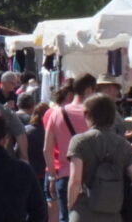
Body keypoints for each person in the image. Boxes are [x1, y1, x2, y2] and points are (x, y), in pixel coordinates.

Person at [67, 94, 132, 222]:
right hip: (113, 213)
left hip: (84, 211)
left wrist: (70, 206)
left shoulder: (79, 141)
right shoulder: (124, 145)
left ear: (87, 114)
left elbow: (75, 181)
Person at [43, 75, 95, 222]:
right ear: (89, 90)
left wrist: (52, 176)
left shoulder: (56, 113)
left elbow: (47, 149)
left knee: (65, 218)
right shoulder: (92, 114)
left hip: (65, 175)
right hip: (91, 177)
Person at [25, 103, 50, 205]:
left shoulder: (27, 131)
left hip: (31, 170)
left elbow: (18, 150)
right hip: (46, 171)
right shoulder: (50, 132)